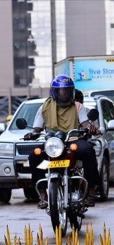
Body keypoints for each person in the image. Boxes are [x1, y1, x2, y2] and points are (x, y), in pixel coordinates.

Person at [25, 75, 100, 209]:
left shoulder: (77, 106)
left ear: (72, 91)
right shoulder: (45, 107)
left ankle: (91, 192)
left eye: (67, 90)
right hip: (53, 144)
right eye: (61, 91)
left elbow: (84, 123)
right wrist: (32, 133)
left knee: (88, 151)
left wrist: (90, 128)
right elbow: (37, 127)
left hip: (73, 142)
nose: (65, 94)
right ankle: (42, 194)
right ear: (55, 92)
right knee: (34, 156)